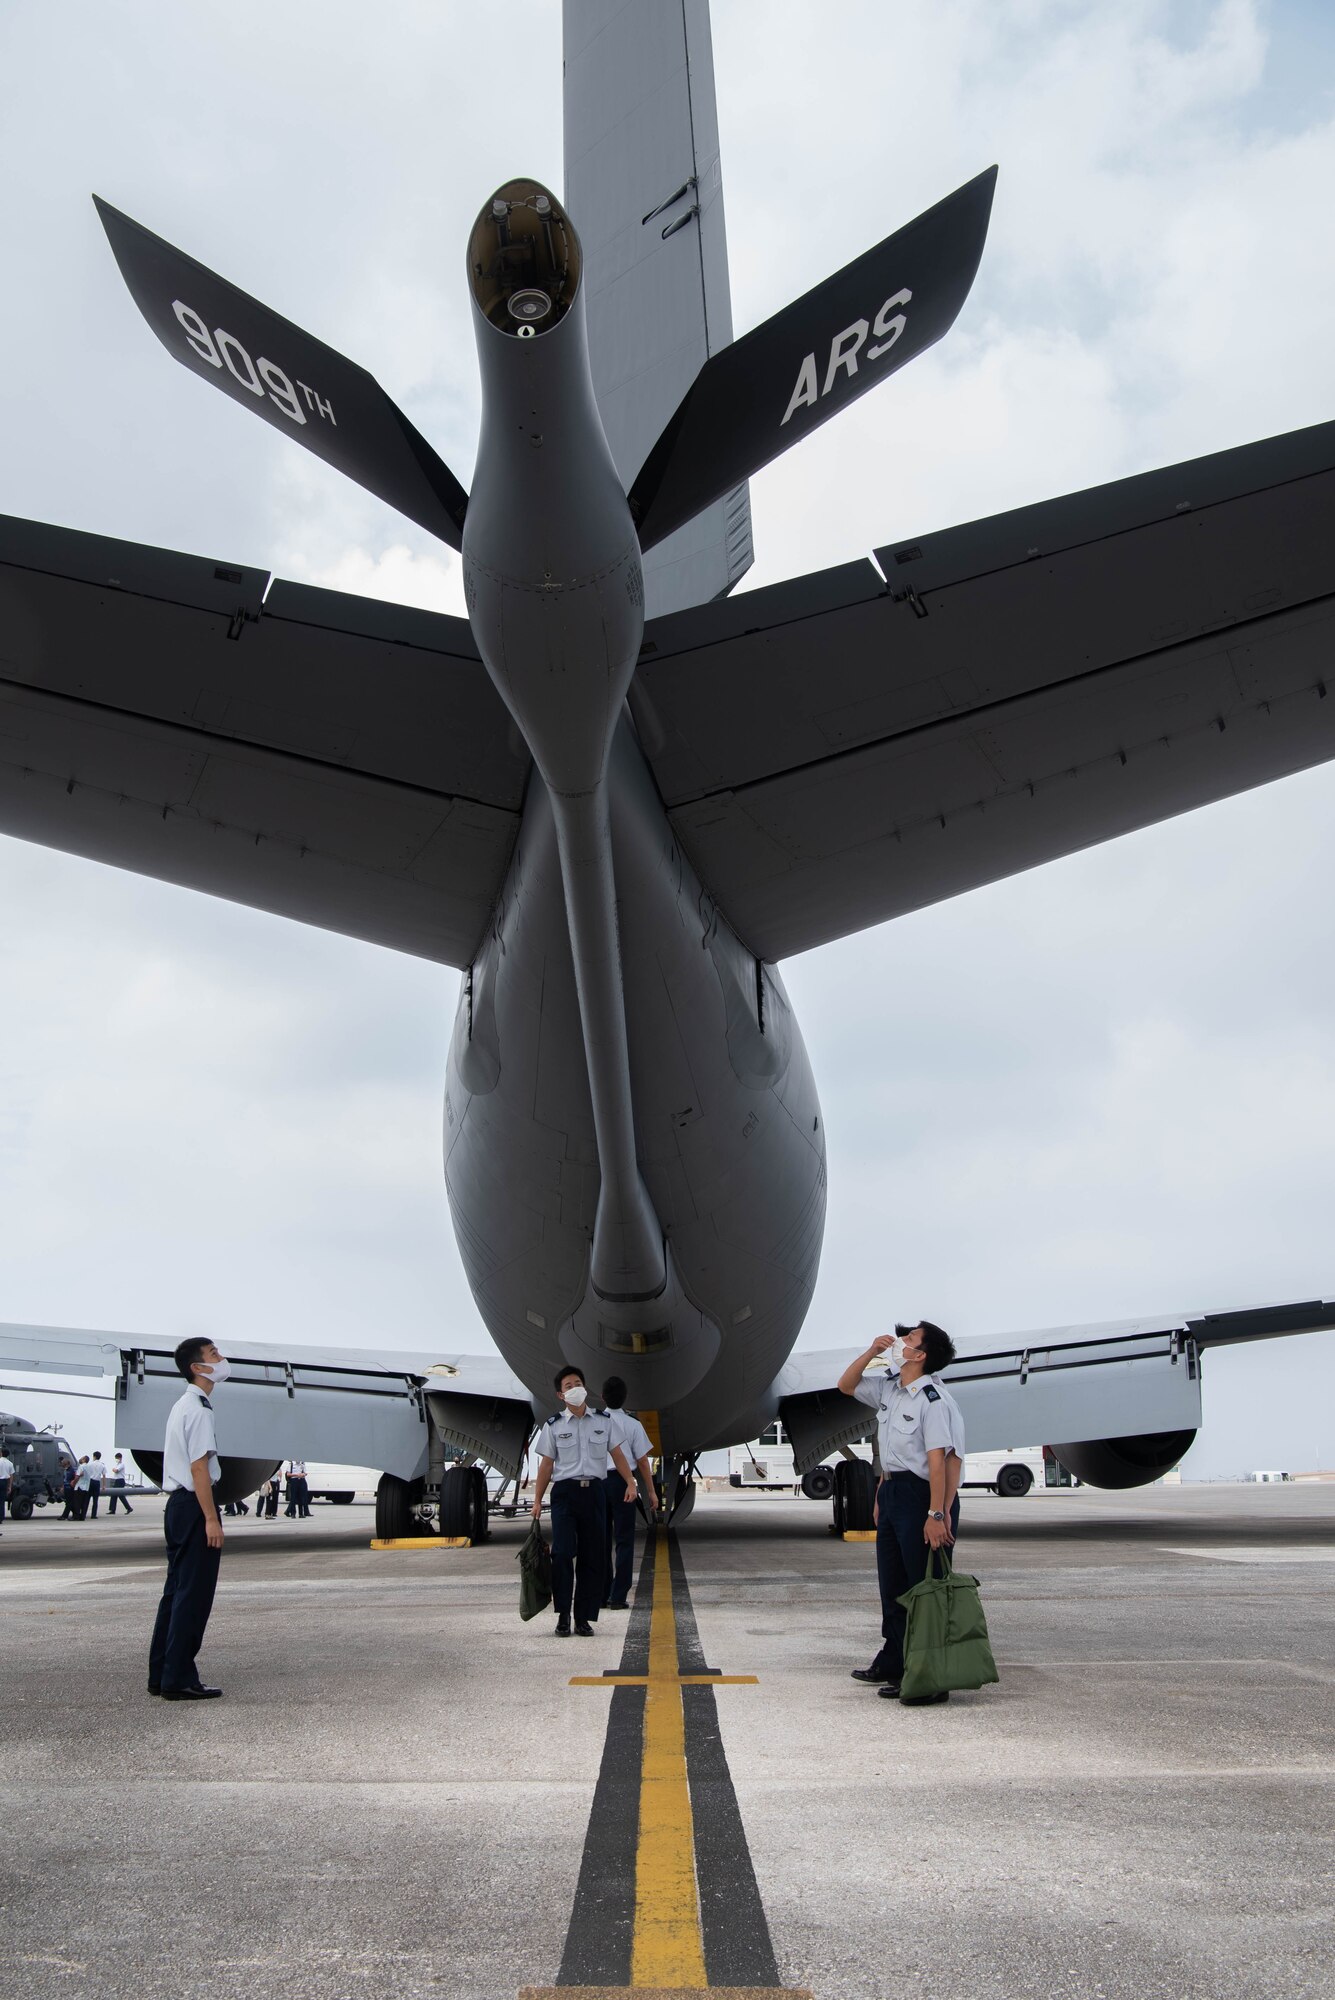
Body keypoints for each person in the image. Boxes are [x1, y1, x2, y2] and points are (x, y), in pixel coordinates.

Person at [841, 1322, 966, 1705]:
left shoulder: (932, 1399)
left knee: (925, 1590)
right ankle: (896, 1661)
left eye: (909, 1339)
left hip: (923, 1496)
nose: (900, 1343)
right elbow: (846, 1385)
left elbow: (941, 1461)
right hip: (895, 1490)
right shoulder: (891, 1390)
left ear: (921, 1355)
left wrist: (937, 1514)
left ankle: (932, 1676)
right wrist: (882, 1490)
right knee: (893, 1586)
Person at [147, 1336, 230, 1701]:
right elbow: (199, 1467)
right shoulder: (198, 1409)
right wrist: (211, 1518)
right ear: (198, 1367)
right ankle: (179, 1678)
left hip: (178, 1507)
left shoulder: (183, 1404)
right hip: (194, 1506)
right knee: (193, 1597)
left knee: (176, 1594)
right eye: (214, 1354)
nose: (222, 1358)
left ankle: (162, 1674)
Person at [530, 1365, 638, 1637]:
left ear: (586, 1388)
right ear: (560, 1395)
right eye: (568, 1386)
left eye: (577, 1383)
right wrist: (537, 1500)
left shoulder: (603, 1421)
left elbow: (618, 1454)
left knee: (593, 1558)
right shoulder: (553, 1426)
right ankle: (563, 1616)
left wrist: (630, 1482)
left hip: (595, 1493)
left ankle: (583, 1617)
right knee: (563, 1553)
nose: (574, 1388)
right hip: (565, 1494)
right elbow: (545, 1466)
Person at [600, 1376, 656, 1609]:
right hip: (624, 1483)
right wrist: (651, 1492)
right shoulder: (633, 1424)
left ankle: (601, 1593)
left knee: (600, 1540)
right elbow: (642, 1461)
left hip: (598, 1483)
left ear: (602, 1397)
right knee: (624, 1540)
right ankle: (618, 1595)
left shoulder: (595, 1421)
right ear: (625, 1398)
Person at [87, 1450, 106, 1518]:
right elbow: (103, 1476)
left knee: (87, 1498)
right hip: (97, 1482)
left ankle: (84, 1513)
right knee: (95, 1500)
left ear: (94, 1456)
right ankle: (93, 1515)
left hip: (90, 1482)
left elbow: (87, 1474)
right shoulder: (102, 1465)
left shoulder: (90, 1464)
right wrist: (104, 1485)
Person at [0, 1445, 13, 1533]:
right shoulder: (10, 1463)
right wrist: (9, 1486)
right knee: (1, 1501)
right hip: (4, 1482)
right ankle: (1, 1518)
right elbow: (11, 1476)